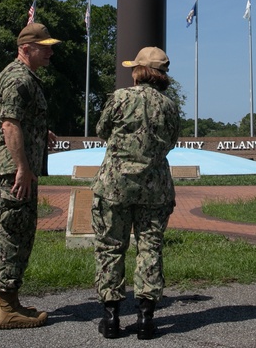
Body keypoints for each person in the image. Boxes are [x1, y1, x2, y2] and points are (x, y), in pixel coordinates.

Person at [91, 47, 182, 340]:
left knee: (110, 248)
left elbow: (101, 130)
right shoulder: (169, 106)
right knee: (149, 249)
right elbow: (172, 141)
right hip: (155, 188)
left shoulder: (120, 98)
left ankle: (112, 318)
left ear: (139, 71)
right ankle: (145, 319)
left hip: (114, 185)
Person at [0, 22, 60, 330]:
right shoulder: (18, 78)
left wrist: (42, 131)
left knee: (0, 234)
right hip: (12, 170)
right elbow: (10, 124)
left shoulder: (19, 75)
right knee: (14, 235)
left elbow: (16, 119)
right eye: (45, 46)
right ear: (26, 48)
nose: (51, 52)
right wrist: (23, 169)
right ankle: (10, 308)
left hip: (2, 167)